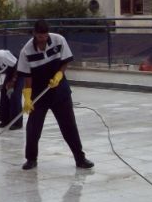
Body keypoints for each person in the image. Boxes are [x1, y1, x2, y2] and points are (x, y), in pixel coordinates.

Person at [16, 20, 94, 170]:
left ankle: (80, 158)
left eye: (45, 36)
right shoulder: (26, 51)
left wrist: (59, 74)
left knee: (69, 125)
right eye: (40, 37)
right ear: (34, 34)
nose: (43, 39)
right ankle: (31, 159)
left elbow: (65, 61)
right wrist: (27, 97)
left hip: (59, 91)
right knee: (33, 127)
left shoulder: (59, 40)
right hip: (39, 93)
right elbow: (27, 77)